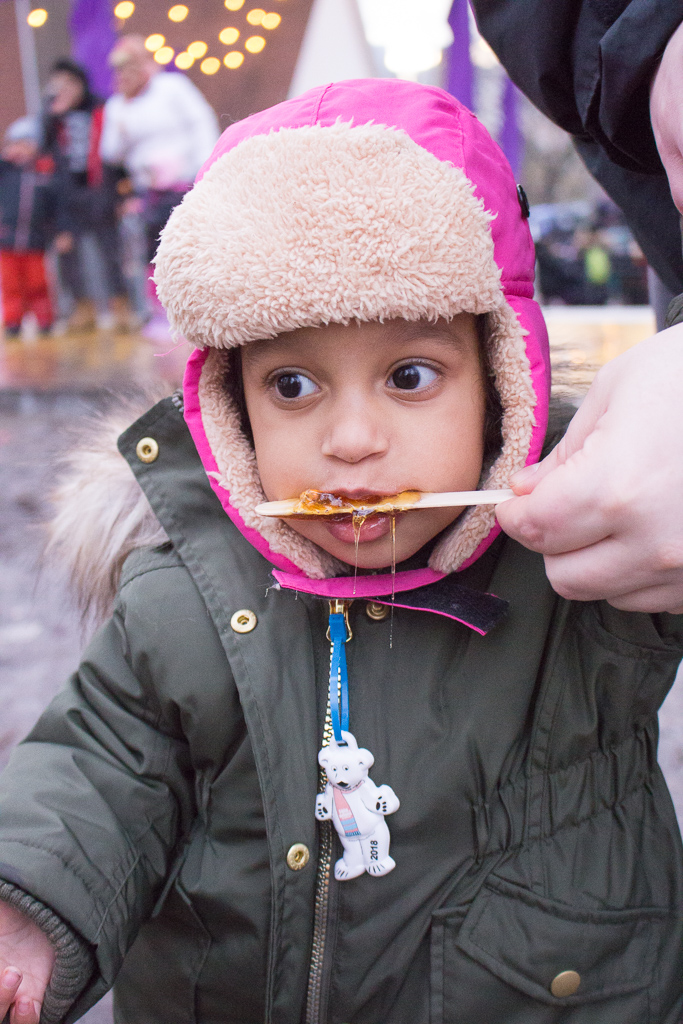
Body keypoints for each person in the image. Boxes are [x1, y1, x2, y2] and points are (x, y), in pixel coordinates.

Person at [0, 79, 682, 1024]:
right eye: (291, 384)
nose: (351, 439)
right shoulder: (185, 591)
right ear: (230, 405)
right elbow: (101, 771)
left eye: (410, 376)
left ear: (499, 380)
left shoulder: (584, 568)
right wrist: (25, 909)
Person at [100, 35, 219, 322]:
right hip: (148, 191)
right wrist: (122, 125)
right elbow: (110, 152)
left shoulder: (172, 88)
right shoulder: (117, 107)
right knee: (154, 252)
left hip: (185, 184)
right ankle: (164, 312)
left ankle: (204, 306)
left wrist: (203, 168)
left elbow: (201, 122)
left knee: (192, 246)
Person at [42, 58, 123, 332]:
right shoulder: (53, 118)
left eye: (68, 84)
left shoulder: (103, 109)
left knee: (111, 251)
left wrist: (120, 192)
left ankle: (120, 305)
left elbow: (116, 151)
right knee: (69, 255)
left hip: (99, 191)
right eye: (57, 85)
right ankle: (82, 307)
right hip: (67, 197)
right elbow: (44, 151)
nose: (62, 90)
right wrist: (51, 116)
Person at [0, 117, 72, 338]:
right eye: (15, 144)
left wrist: (62, 231)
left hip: (36, 240)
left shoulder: (45, 172)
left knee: (38, 284)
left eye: (25, 143)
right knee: (11, 285)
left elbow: (59, 206)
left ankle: (44, 320)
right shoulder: (5, 172)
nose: (20, 149)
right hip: (7, 240)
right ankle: (13, 322)